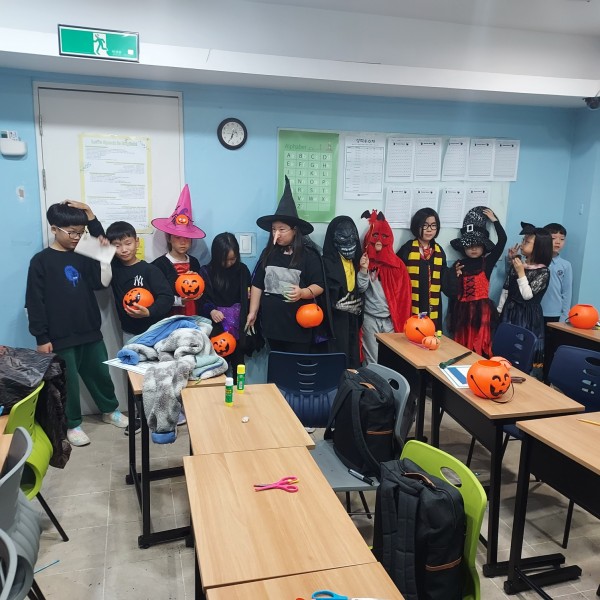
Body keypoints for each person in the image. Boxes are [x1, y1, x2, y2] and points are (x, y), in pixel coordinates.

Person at [25, 201, 128, 447]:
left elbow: (104, 253)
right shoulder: (41, 261)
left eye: (81, 233)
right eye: (72, 232)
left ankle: (109, 410)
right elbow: (34, 302)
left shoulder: (83, 253)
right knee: (67, 383)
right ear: (54, 229)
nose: (77, 238)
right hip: (59, 336)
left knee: (100, 374)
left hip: (89, 330)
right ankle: (72, 424)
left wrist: (91, 217)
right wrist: (41, 337)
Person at [246, 176, 326, 354]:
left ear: (294, 231)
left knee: (296, 366)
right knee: (276, 365)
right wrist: (253, 312)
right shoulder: (268, 254)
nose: (277, 234)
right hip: (272, 326)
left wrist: (303, 293)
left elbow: (319, 285)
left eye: (282, 229)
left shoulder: (309, 255)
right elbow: (257, 284)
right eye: (274, 229)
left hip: (299, 327)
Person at [444, 207, 507, 357]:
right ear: (463, 247)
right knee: (462, 343)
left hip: (482, 311)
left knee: (480, 344)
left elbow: (502, 241)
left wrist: (495, 221)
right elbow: (451, 289)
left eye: (477, 245)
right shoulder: (459, 264)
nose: (473, 249)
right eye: (469, 246)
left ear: (483, 247)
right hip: (462, 311)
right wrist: (454, 275)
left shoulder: (487, 262)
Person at [359, 210, 412, 365]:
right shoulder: (365, 262)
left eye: (383, 237)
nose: (379, 241)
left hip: (390, 320)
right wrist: (363, 270)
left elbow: (404, 297)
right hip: (370, 318)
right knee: (372, 359)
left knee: (391, 358)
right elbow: (361, 289)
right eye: (375, 236)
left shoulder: (397, 265)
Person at [498, 222, 553, 372]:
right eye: (523, 240)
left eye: (527, 242)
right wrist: (500, 309)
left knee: (521, 350)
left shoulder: (543, 272)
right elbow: (507, 287)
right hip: (510, 310)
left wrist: (520, 272)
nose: (522, 244)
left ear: (539, 247)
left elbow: (527, 295)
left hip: (526, 316)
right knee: (505, 347)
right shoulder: (520, 265)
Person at [106, 221, 174, 338]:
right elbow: (96, 244)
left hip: (154, 331)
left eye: (128, 243)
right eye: (117, 246)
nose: (124, 249)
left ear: (137, 242)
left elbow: (167, 297)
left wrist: (149, 311)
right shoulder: (113, 268)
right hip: (129, 332)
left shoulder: (150, 270)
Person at [198, 233, 252, 380]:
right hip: (217, 326)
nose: (229, 263)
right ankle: (218, 393)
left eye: (232, 259)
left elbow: (248, 295)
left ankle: (239, 392)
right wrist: (211, 310)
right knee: (217, 367)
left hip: (238, 325)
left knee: (239, 364)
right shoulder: (206, 271)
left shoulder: (242, 270)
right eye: (224, 260)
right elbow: (201, 298)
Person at [151, 184, 205, 317]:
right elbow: (158, 296)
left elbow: (199, 290)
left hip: (193, 313)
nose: (183, 242)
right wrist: (180, 301)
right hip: (170, 316)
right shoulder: (160, 265)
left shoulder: (194, 262)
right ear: (169, 238)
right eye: (177, 237)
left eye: (187, 238)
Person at [322, 216, 367, 368]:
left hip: (352, 320)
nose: (348, 243)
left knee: (352, 357)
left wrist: (363, 270)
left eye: (352, 237)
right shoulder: (326, 263)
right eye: (343, 238)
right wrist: (335, 304)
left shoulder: (356, 261)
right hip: (335, 322)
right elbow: (321, 293)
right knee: (336, 359)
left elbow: (361, 289)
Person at [397, 207, 447, 332]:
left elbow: (445, 281)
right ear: (416, 226)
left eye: (433, 225)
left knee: (430, 333)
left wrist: (453, 274)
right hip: (412, 301)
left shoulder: (439, 251)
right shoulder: (408, 249)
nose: (429, 229)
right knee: (412, 333)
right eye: (425, 225)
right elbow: (397, 275)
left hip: (432, 304)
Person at [540, 223, 572, 324]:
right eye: (553, 238)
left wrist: (565, 315)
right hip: (534, 311)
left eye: (562, 239)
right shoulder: (536, 261)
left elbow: (567, 292)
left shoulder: (566, 265)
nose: (558, 242)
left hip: (555, 314)